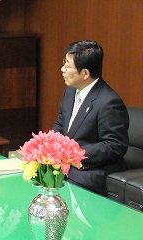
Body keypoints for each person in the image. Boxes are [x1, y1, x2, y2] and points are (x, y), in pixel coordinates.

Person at [52, 40, 129, 196]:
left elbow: (115, 146)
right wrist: (51, 146)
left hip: (89, 171)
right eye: (64, 63)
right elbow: (60, 124)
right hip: (64, 164)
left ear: (85, 73)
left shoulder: (109, 102)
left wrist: (74, 153)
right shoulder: (70, 92)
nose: (62, 69)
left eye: (67, 66)